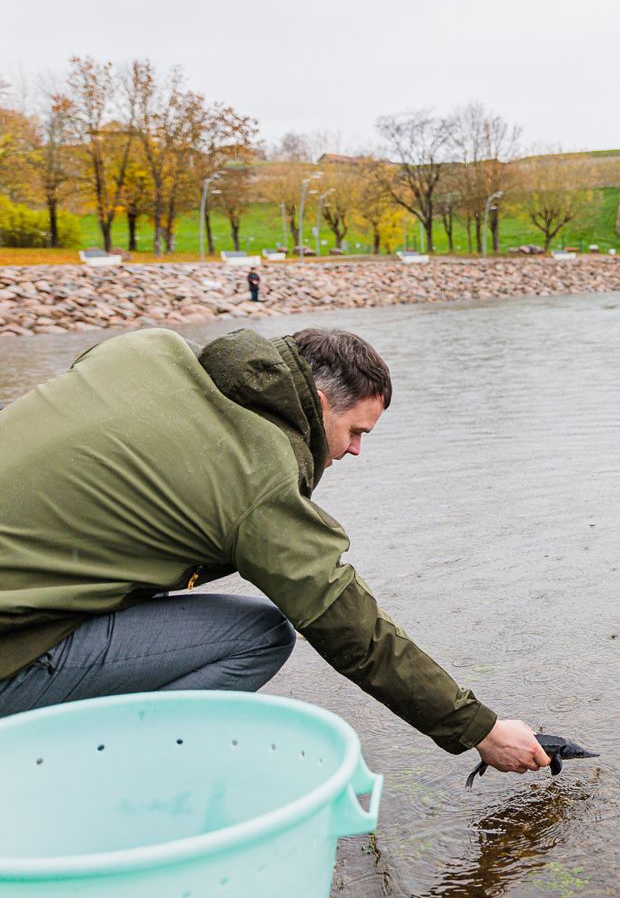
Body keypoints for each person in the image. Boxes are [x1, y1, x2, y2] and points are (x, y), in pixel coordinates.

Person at [0, 326, 549, 777]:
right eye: (356, 431)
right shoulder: (257, 475)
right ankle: (101, 772)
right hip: (11, 650)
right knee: (261, 634)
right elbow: (352, 631)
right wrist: (481, 729)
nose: (356, 450)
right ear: (316, 402)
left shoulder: (146, 348)